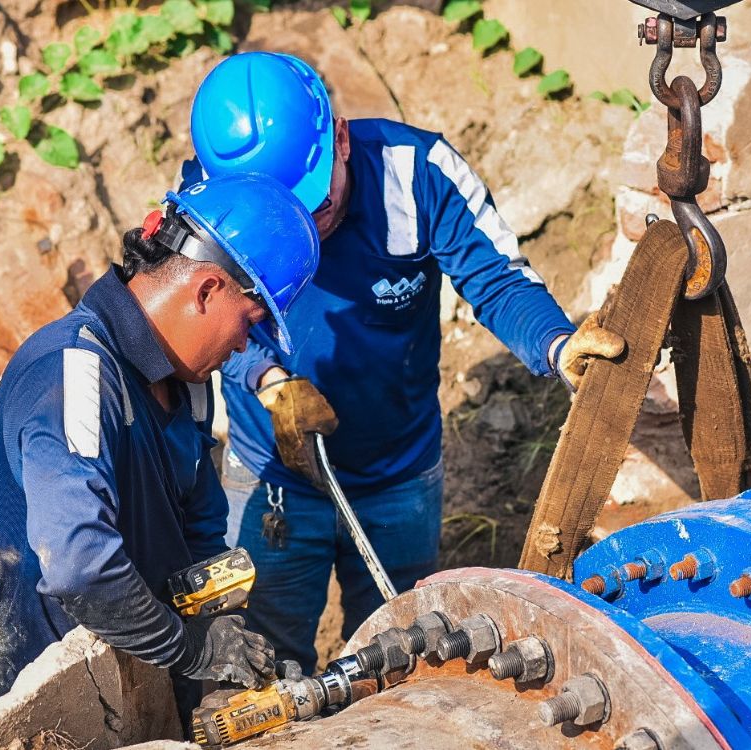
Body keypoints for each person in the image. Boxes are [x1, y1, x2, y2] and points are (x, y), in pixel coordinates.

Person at [181, 52, 624, 672]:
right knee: (263, 663)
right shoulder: (209, 204)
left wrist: (556, 344)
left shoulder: (417, 175)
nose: (307, 225)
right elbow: (194, 319)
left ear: (339, 136)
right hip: (271, 480)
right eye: (284, 217)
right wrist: (267, 378)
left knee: (397, 658)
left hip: (398, 483)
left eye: (315, 203)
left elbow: (495, 278)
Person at [0, 172, 321, 714]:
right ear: (207, 290)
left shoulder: (190, 383)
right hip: (50, 697)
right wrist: (193, 651)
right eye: (250, 323)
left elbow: (200, 525)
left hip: (144, 665)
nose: (247, 344)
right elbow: (79, 566)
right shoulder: (72, 379)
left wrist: (229, 644)